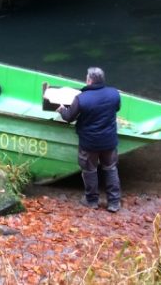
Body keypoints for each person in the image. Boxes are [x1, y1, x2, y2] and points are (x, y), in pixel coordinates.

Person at [52, 66, 121, 212]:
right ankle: (114, 202)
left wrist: (62, 110)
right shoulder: (114, 94)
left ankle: (92, 201)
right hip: (109, 141)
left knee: (90, 170)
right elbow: (116, 108)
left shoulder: (81, 98)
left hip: (89, 143)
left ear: (89, 80)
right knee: (110, 169)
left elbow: (69, 117)